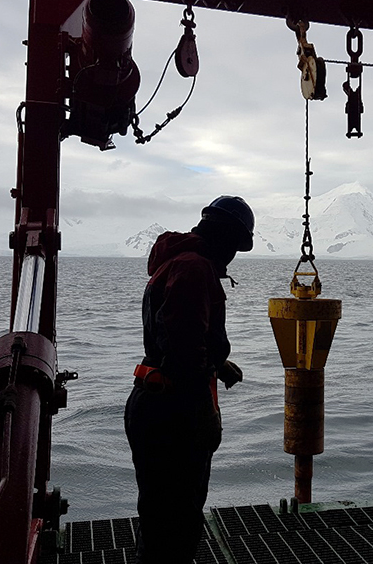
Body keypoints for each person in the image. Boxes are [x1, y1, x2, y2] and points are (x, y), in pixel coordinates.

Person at [124, 195, 253, 563]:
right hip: (174, 413)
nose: (233, 257)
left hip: (155, 403)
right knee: (177, 520)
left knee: (159, 515)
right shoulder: (195, 269)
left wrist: (217, 362)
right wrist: (206, 415)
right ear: (226, 237)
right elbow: (182, 352)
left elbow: (173, 336)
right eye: (236, 246)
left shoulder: (178, 263)